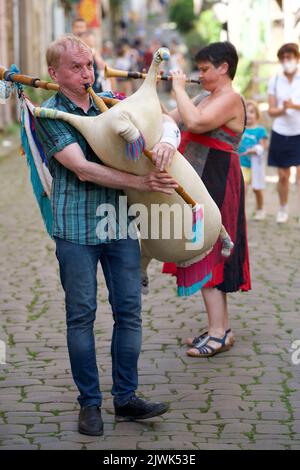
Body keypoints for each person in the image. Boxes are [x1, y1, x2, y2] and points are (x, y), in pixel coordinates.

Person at [34, 34, 179, 436]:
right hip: (76, 229)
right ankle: (90, 404)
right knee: (81, 317)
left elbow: (164, 117)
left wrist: (167, 140)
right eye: (76, 68)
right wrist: (141, 180)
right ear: (54, 74)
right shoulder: (48, 113)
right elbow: (82, 168)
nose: (87, 74)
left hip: (119, 224)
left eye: (89, 65)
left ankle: (127, 399)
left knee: (129, 312)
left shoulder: (111, 97)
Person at [157, 41, 251, 357]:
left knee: (210, 248)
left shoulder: (231, 99)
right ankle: (220, 327)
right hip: (201, 174)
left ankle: (218, 332)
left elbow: (195, 122)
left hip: (219, 175)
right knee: (201, 246)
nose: (200, 75)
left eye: (205, 69)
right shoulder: (205, 96)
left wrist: (180, 87)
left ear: (224, 67)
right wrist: (148, 91)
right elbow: (170, 119)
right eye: (198, 69)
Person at [268, 43, 300, 224]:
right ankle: (283, 208)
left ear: (297, 58)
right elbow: (271, 111)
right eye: (284, 58)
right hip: (281, 130)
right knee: (283, 175)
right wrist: (283, 109)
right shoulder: (275, 80)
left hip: (299, 130)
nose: (287, 61)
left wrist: (293, 106)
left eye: (291, 57)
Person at [238, 100, 268, 220]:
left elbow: (263, 145)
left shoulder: (260, 130)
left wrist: (255, 149)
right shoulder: (240, 128)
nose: (249, 114)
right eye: (247, 111)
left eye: (252, 112)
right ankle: (241, 213)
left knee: (257, 189)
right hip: (242, 164)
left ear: (257, 115)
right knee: (243, 188)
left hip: (255, 166)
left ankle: (260, 208)